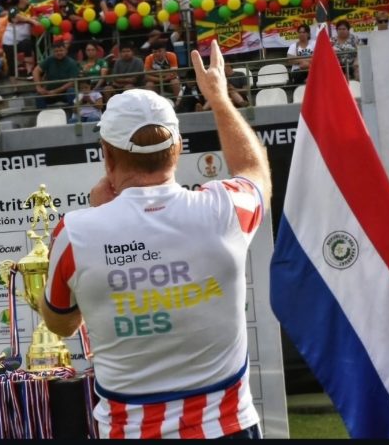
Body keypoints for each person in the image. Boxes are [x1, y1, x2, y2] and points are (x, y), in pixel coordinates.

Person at [40, 39, 271, 439]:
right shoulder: (224, 209)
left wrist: (101, 220)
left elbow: (60, 323)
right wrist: (218, 98)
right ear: (178, 149)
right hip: (227, 428)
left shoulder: (75, 233)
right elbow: (255, 170)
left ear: (106, 156)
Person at [33, 40, 80, 109]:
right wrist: (38, 87)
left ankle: (74, 115)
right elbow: (36, 71)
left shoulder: (72, 63)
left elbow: (71, 82)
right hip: (49, 92)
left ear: (66, 51)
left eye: (61, 50)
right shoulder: (49, 59)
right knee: (38, 95)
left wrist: (56, 91)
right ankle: (43, 116)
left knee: (71, 91)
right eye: (56, 51)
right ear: (53, 52)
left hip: (64, 92)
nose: (59, 53)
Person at [144, 41, 182, 106]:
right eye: (155, 52)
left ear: (164, 51)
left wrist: (153, 73)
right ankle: (153, 105)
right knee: (149, 84)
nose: (157, 54)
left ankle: (179, 103)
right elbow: (147, 76)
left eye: (159, 51)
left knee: (175, 82)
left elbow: (173, 73)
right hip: (157, 82)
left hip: (170, 81)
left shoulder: (171, 55)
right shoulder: (149, 58)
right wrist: (163, 78)